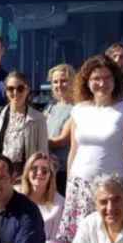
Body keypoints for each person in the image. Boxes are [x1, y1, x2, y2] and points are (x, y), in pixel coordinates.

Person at [51, 55, 123, 243]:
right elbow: (74, 150)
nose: (102, 83)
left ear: (115, 79)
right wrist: (69, 185)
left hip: (113, 190)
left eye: (107, 78)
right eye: (96, 79)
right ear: (87, 81)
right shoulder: (78, 110)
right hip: (80, 189)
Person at [0, 71, 49, 179]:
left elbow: (42, 153)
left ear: (27, 90)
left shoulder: (38, 118)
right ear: (5, 91)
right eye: (10, 89)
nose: (15, 93)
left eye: (20, 88)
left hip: (25, 177)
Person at [16, 152, 65, 243]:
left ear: (50, 176)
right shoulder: (14, 195)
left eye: (44, 170)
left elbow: (57, 241)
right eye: (34, 169)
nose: (39, 173)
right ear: (27, 172)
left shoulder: (59, 202)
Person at [45, 63, 75, 194]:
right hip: (47, 169)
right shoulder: (50, 107)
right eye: (55, 82)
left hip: (63, 171)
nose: (59, 85)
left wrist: (35, 142)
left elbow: (63, 140)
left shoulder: (77, 108)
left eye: (64, 81)